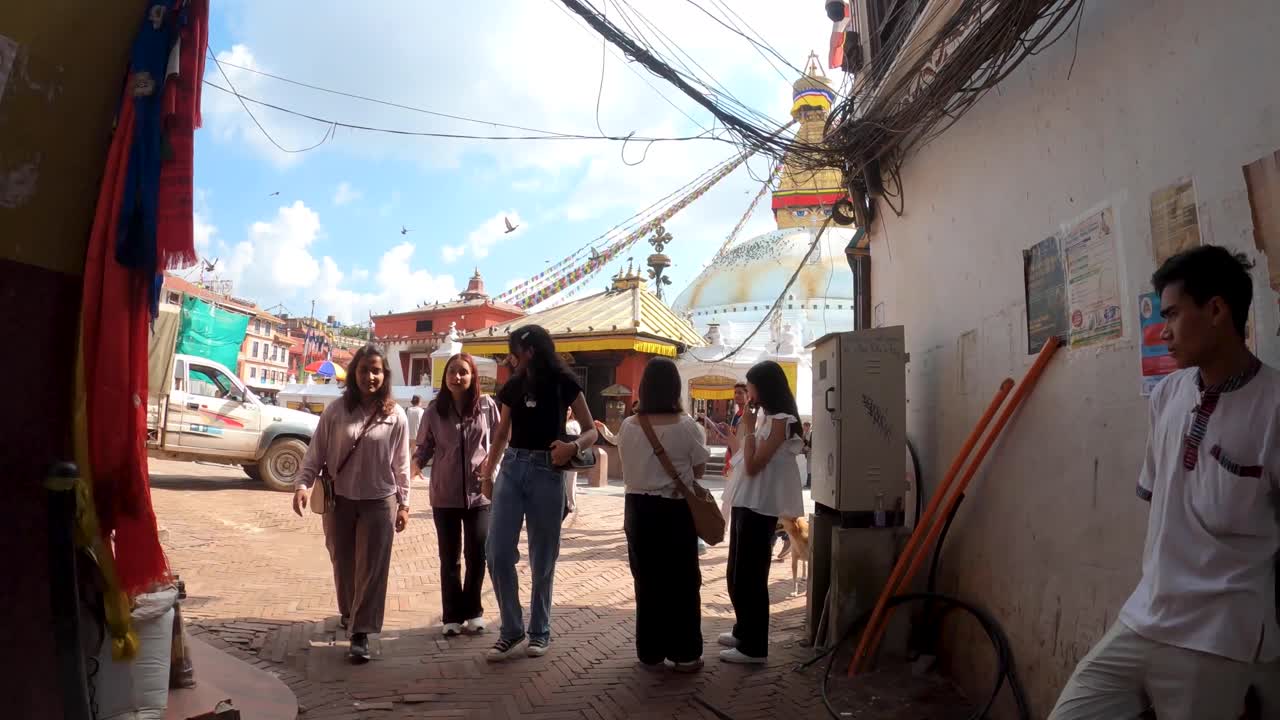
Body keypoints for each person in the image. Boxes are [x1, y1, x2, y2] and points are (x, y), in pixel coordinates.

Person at [1049, 246, 1280, 720]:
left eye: (1172, 314)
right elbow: (1159, 500)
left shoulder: (1275, 406)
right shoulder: (1169, 394)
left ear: (1216, 310)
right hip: (1143, 617)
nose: (1163, 332)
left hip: (1219, 636)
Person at [479, 325, 598, 662]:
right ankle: (511, 629)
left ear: (529, 350)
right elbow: (502, 433)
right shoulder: (514, 385)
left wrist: (572, 445)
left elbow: (591, 431)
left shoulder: (565, 383)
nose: (509, 356)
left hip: (549, 471)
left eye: (513, 350)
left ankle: (539, 631)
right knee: (497, 552)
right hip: (513, 469)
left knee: (542, 557)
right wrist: (488, 473)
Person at [292, 343, 411, 663]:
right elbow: (315, 452)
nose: (370, 376)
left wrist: (404, 503)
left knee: (372, 569)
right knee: (343, 563)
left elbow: (401, 463)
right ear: (354, 373)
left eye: (376, 371)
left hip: (379, 501)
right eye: (364, 370)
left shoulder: (396, 415)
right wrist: (302, 484)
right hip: (339, 501)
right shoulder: (335, 411)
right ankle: (350, 613)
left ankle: (361, 632)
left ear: (384, 375)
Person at [617, 357, 710, 672]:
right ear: (675, 388)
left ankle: (650, 651)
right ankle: (685, 653)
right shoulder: (688, 427)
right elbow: (696, 472)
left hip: (638, 511)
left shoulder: (629, 425)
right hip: (674, 510)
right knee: (683, 581)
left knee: (647, 581)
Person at [719, 361, 804, 665]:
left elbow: (754, 464)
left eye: (750, 385)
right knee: (736, 571)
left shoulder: (782, 420)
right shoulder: (764, 416)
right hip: (746, 499)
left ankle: (754, 647)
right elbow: (744, 448)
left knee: (751, 574)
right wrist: (747, 424)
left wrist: (752, 430)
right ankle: (743, 631)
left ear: (763, 387)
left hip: (761, 502)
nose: (748, 391)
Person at [414, 354, 500, 638]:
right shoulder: (433, 411)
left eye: (463, 372)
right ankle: (451, 616)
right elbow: (424, 446)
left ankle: (473, 612)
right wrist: (413, 466)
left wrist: (493, 465)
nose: (457, 377)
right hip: (445, 494)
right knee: (449, 558)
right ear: (445, 376)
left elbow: (501, 438)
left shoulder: (486, 407)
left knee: (477, 555)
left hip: (479, 495)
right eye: (452, 372)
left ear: (473, 376)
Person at [563, 408, 581, 519]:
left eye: (569, 409)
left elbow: (578, 438)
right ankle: (564, 503)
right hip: (561, 455)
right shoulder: (557, 422)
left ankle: (571, 504)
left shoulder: (574, 424)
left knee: (571, 480)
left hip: (572, 456)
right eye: (566, 409)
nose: (567, 411)